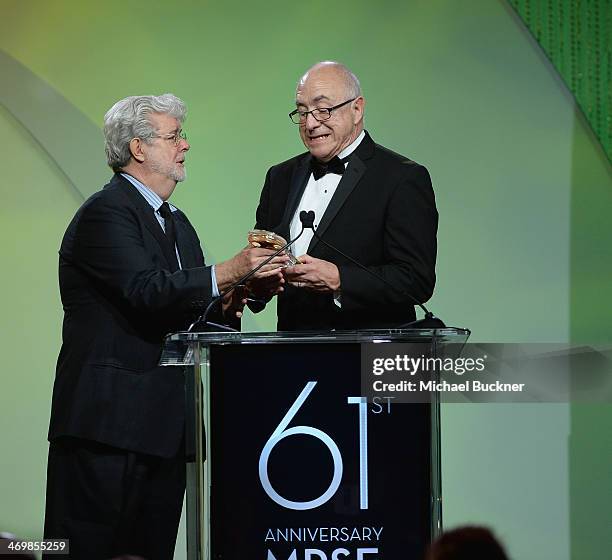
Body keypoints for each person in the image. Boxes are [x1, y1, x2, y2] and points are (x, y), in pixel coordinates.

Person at [43, 93, 285, 560]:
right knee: (84, 550)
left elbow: (191, 314)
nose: (185, 145)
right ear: (138, 147)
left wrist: (242, 296)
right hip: (107, 430)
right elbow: (146, 292)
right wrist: (232, 269)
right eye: (174, 136)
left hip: (164, 429)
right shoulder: (105, 212)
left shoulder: (177, 223)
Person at [252, 61, 438, 330]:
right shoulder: (280, 177)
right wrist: (258, 283)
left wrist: (341, 280)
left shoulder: (401, 178)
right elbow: (262, 265)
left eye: (323, 110)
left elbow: (416, 280)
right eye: (302, 112)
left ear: (357, 109)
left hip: (369, 357)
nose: (311, 123)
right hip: (292, 353)